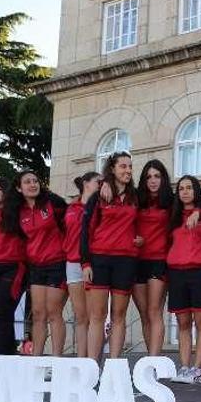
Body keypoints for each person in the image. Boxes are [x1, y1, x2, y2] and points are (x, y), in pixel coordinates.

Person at [3, 170, 68, 357]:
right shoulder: (18, 212)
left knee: (54, 312)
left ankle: (57, 359)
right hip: (36, 267)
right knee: (38, 313)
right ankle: (36, 358)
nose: (33, 184)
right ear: (19, 188)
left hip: (57, 263)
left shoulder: (52, 204)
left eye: (35, 181)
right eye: (27, 182)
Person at [81, 152, 138, 361]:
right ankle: (92, 366)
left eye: (130, 167)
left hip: (126, 261)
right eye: (123, 166)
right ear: (112, 169)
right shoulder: (98, 196)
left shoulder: (136, 196)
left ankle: (114, 366)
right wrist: (86, 262)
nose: (128, 170)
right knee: (96, 316)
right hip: (99, 259)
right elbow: (86, 230)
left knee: (119, 316)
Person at [167, 176, 201, 384]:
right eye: (181, 188)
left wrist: (198, 211)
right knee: (182, 322)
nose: (185, 191)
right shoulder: (174, 216)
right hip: (177, 272)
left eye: (189, 188)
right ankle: (185, 367)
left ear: (196, 190)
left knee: (200, 321)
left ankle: (198, 369)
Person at [133, 160, 173, 356]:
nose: (153, 180)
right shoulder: (136, 200)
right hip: (137, 261)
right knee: (143, 314)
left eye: (157, 176)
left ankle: (154, 360)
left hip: (159, 260)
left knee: (154, 311)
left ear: (163, 178)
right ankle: (150, 358)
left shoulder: (171, 201)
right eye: (148, 177)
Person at [0, 177, 26, 355]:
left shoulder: (18, 211)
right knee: (2, 313)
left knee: (3, 309)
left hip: (13, 266)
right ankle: (8, 353)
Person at [64, 172, 100, 358]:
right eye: (98, 182)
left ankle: (92, 360)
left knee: (94, 315)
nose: (101, 185)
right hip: (72, 262)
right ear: (86, 183)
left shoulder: (99, 206)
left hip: (92, 263)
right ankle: (80, 359)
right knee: (80, 316)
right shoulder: (71, 207)